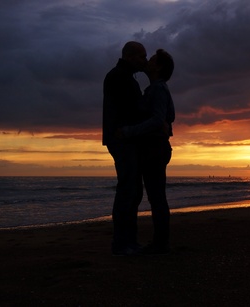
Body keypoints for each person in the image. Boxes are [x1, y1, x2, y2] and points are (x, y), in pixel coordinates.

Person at [119, 49, 175, 254]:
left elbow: (159, 119)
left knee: (156, 197)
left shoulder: (158, 89)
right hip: (155, 147)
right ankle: (161, 243)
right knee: (156, 196)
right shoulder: (158, 88)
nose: (147, 62)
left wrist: (128, 131)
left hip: (154, 148)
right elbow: (170, 115)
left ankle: (161, 244)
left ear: (158, 67)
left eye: (151, 59)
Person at [102, 41, 147, 256]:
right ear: (130, 56)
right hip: (122, 139)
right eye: (141, 57)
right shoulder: (119, 77)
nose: (144, 61)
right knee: (128, 190)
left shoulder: (125, 77)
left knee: (132, 190)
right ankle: (122, 244)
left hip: (125, 138)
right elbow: (133, 110)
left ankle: (128, 241)